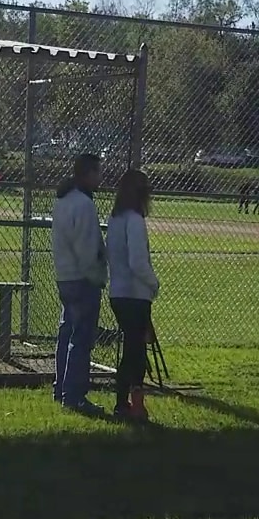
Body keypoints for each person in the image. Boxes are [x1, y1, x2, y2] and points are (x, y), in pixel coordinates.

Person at [51, 151, 107, 415]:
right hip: (81, 277)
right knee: (81, 338)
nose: (100, 178)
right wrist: (97, 275)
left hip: (64, 275)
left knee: (66, 333)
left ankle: (61, 388)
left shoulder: (63, 200)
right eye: (98, 172)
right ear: (88, 174)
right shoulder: (84, 204)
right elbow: (86, 248)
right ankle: (74, 396)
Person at [106, 168, 160, 422]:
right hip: (135, 293)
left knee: (131, 348)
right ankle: (134, 403)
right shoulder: (135, 220)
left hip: (118, 291)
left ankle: (123, 401)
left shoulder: (115, 218)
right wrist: (153, 283)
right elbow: (138, 261)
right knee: (136, 352)